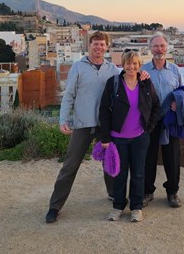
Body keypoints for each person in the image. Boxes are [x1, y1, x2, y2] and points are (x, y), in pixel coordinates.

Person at [45, 31, 117, 224]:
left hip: (104, 126)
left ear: (107, 47)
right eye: (95, 44)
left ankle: (113, 194)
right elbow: (69, 95)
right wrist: (63, 120)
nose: (99, 47)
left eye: (102, 44)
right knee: (70, 166)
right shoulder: (78, 67)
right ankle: (55, 206)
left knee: (109, 163)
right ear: (89, 46)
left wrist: (142, 75)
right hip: (82, 124)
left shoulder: (113, 69)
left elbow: (127, 85)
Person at [98, 50, 161, 222]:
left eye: (135, 64)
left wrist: (149, 128)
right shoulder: (114, 83)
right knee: (119, 174)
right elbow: (104, 110)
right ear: (123, 65)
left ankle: (136, 207)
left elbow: (156, 105)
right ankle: (118, 206)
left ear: (139, 65)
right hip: (118, 137)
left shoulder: (145, 82)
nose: (131, 66)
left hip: (140, 137)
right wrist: (105, 138)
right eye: (128, 63)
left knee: (139, 173)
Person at [142, 32, 184, 208]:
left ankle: (172, 192)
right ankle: (147, 191)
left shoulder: (175, 70)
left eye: (162, 46)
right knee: (147, 157)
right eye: (155, 46)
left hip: (169, 120)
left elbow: (183, 93)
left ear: (167, 48)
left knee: (172, 157)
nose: (159, 49)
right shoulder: (142, 70)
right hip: (149, 121)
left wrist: (177, 102)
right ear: (150, 49)